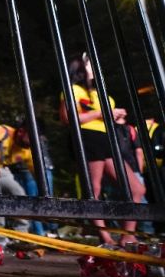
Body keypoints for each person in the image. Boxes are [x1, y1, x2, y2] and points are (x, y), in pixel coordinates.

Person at [59, 53, 144, 245]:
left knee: (136, 188)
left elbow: (103, 114)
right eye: (89, 64)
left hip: (107, 138)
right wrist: (104, 112)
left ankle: (128, 235)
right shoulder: (73, 89)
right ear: (80, 68)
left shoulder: (99, 92)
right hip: (87, 137)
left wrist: (113, 115)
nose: (94, 67)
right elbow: (68, 118)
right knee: (94, 190)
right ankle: (104, 237)